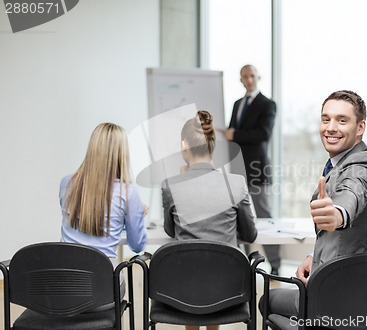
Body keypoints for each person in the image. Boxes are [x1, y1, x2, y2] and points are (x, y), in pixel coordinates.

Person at [261, 90, 367, 318]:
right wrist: (314, 257)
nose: (330, 127)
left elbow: (352, 195)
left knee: (265, 299)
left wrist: (337, 214)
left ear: (360, 127)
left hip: (344, 293)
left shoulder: (362, 163)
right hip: (346, 284)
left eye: (342, 120)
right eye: (326, 119)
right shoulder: (340, 163)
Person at [162, 110, 257, 330]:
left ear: (184, 145)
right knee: (212, 281)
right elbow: (250, 234)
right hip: (227, 289)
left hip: (183, 290)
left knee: (192, 280)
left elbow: (170, 230)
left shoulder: (170, 185)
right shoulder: (236, 183)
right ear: (213, 145)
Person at [60, 123, 148, 301]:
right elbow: (137, 245)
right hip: (102, 288)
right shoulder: (127, 192)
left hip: (64, 284)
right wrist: (136, 214)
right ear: (121, 154)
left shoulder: (66, 183)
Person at [223, 64, 281, 275]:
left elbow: (263, 135)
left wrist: (234, 135)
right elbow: (232, 133)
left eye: (252, 76)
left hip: (257, 169)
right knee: (241, 218)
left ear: (258, 77)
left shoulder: (268, 104)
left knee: (264, 215)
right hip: (238, 170)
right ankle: (249, 262)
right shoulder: (237, 103)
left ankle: (275, 263)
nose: (249, 80)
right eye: (245, 77)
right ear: (240, 79)